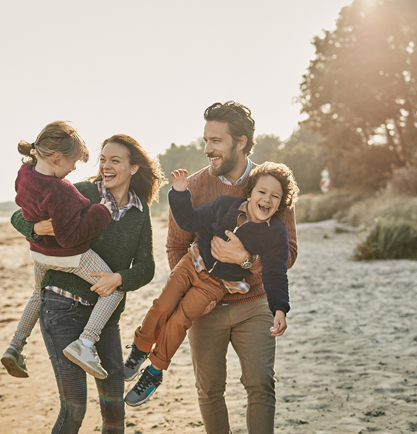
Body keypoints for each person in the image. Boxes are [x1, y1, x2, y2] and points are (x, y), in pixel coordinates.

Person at [11, 134, 164, 434]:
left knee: (114, 409)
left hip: (104, 321)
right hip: (61, 308)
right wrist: (34, 227)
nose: (106, 166)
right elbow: (17, 216)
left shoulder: (140, 212)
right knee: (75, 407)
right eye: (103, 159)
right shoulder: (82, 192)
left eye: (115, 160)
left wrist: (118, 278)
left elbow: (147, 266)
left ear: (133, 167)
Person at [165, 102, 298, 434]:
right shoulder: (194, 185)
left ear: (241, 142)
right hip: (204, 305)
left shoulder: (271, 186)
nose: (208, 148)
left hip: (253, 303)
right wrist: (194, 291)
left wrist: (247, 259)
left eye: (217, 140)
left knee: (259, 382)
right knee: (209, 387)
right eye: (206, 140)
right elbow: (177, 244)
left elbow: (287, 252)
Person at [124, 162, 298, 408]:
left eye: (275, 196)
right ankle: (139, 350)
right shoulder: (225, 204)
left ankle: (154, 371)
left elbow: (276, 271)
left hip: (218, 284)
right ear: (250, 193)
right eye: (262, 192)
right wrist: (180, 193)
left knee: (179, 321)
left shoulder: (275, 232)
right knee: (161, 307)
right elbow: (189, 221)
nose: (267, 199)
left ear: (281, 204)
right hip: (191, 263)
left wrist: (280, 308)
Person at [1, 121, 123, 381]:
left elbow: (22, 205)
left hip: (39, 255)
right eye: (73, 163)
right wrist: (101, 211)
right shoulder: (61, 190)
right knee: (113, 289)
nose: (73, 169)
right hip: (71, 258)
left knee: (37, 294)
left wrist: (36, 228)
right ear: (57, 158)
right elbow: (71, 237)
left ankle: (15, 346)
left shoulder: (25, 173)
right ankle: (86, 343)